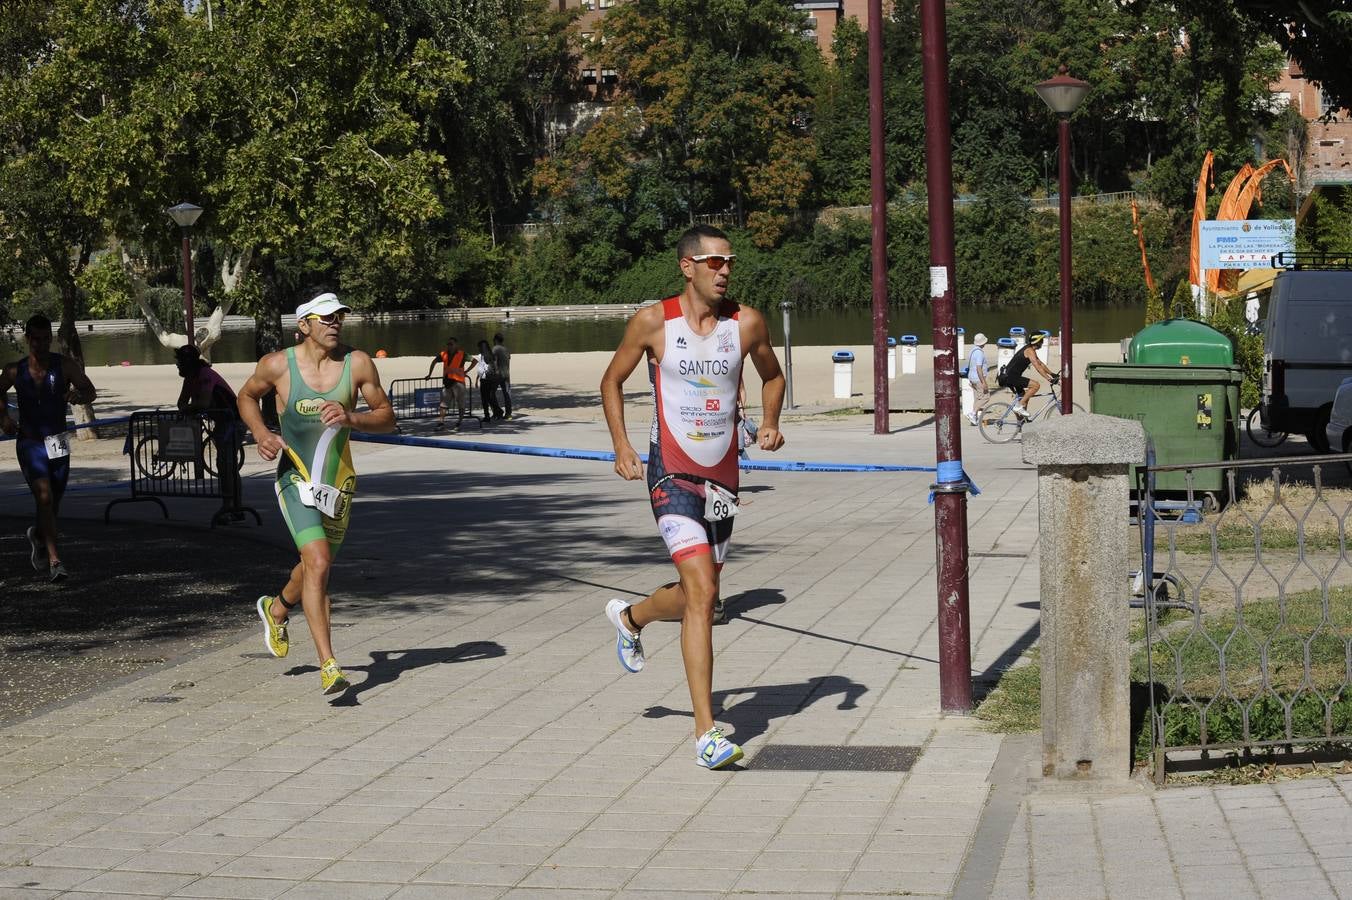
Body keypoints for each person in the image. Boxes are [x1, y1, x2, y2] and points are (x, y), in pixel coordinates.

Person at [600, 224, 786, 771]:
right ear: (688, 266)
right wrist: (621, 446)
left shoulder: (746, 322)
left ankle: (631, 618)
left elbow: (772, 377)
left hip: (724, 478)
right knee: (702, 590)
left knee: (701, 597)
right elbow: (611, 381)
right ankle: (707, 733)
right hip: (670, 474)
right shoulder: (654, 321)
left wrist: (771, 424)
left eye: (729, 261)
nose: (725, 270)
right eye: (714, 262)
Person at [236, 292, 395, 695]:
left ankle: (276, 609)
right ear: (304, 325)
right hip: (296, 479)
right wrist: (260, 432)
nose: (334, 323)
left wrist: (352, 417)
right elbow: (246, 396)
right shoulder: (277, 365)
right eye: (325, 318)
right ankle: (328, 664)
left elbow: (387, 418)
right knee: (320, 561)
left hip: (338, 484)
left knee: (313, 568)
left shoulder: (357, 363)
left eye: (338, 317)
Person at [0, 314, 97, 582]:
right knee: (44, 497)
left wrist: (79, 396)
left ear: (51, 339)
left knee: (54, 502)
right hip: (30, 441)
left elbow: (90, 391)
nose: (41, 345)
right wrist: (4, 418)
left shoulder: (65, 365)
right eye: (36, 340)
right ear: (28, 339)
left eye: (46, 339)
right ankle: (55, 561)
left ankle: (40, 536)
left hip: (58, 441)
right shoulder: (13, 370)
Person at [174, 345, 242, 509]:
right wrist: (192, 407)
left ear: (188, 362)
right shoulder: (190, 378)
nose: (177, 365)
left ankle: (233, 506)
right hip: (221, 422)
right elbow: (181, 402)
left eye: (180, 362)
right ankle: (231, 505)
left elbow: (202, 403)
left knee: (226, 465)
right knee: (224, 465)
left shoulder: (204, 375)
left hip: (233, 421)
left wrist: (190, 408)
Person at [997, 331, 1057, 418]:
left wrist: (1052, 374)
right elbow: (1037, 367)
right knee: (1035, 385)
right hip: (1010, 377)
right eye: (1041, 341)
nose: (1042, 342)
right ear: (1037, 342)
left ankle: (1021, 421)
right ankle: (1019, 406)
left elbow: (1040, 364)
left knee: (1025, 396)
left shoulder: (1031, 350)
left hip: (1013, 376)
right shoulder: (1029, 351)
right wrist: (1048, 379)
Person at [425, 337, 469, 431]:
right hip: (448, 382)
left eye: (451, 344)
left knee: (460, 404)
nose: (449, 346)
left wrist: (467, 371)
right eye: (448, 344)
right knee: (443, 404)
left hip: (459, 383)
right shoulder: (443, 354)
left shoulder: (462, 354)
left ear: (456, 345)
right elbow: (434, 361)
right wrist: (430, 374)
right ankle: (441, 422)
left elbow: (474, 361)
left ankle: (459, 422)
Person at [475, 339, 504, 422]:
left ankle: (498, 411)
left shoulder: (491, 355)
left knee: (490, 397)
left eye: (483, 346)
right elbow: (480, 368)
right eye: (480, 347)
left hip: (491, 379)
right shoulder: (479, 356)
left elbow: (494, 366)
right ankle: (487, 416)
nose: (482, 348)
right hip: (483, 379)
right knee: (484, 398)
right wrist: (477, 379)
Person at [966, 333, 991, 426]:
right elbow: (978, 368)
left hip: (971, 377)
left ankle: (974, 418)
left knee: (977, 398)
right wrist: (983, 382)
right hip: (978, 378)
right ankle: (972, 414)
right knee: (986, 397)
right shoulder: (979, 353)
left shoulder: (972, 350)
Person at [491, 333, 512, 420]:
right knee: (507, 394)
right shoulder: (506, 349)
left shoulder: (495, 348)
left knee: (490, 393)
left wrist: (494, 372)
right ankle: (508, 414)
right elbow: (508, 360)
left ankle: (497, 411)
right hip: (506, 374)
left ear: (495, 340)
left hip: (498, 374)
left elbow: (494, 361)